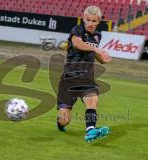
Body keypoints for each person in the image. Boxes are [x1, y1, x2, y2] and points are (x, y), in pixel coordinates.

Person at [56, 6, 112, 142]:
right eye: (88, 20)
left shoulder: (98, 35)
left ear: (98, 21)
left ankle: (90, 131)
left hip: (87, 78)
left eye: (94, 21)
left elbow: (93, 52)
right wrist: (98, 50)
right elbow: (77, 44)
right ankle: (60, 123)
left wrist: (103, 59)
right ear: (83, 19)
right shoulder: (77, 30)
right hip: (70, 78)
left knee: (92, 101)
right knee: (64, 120)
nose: (90, 23)